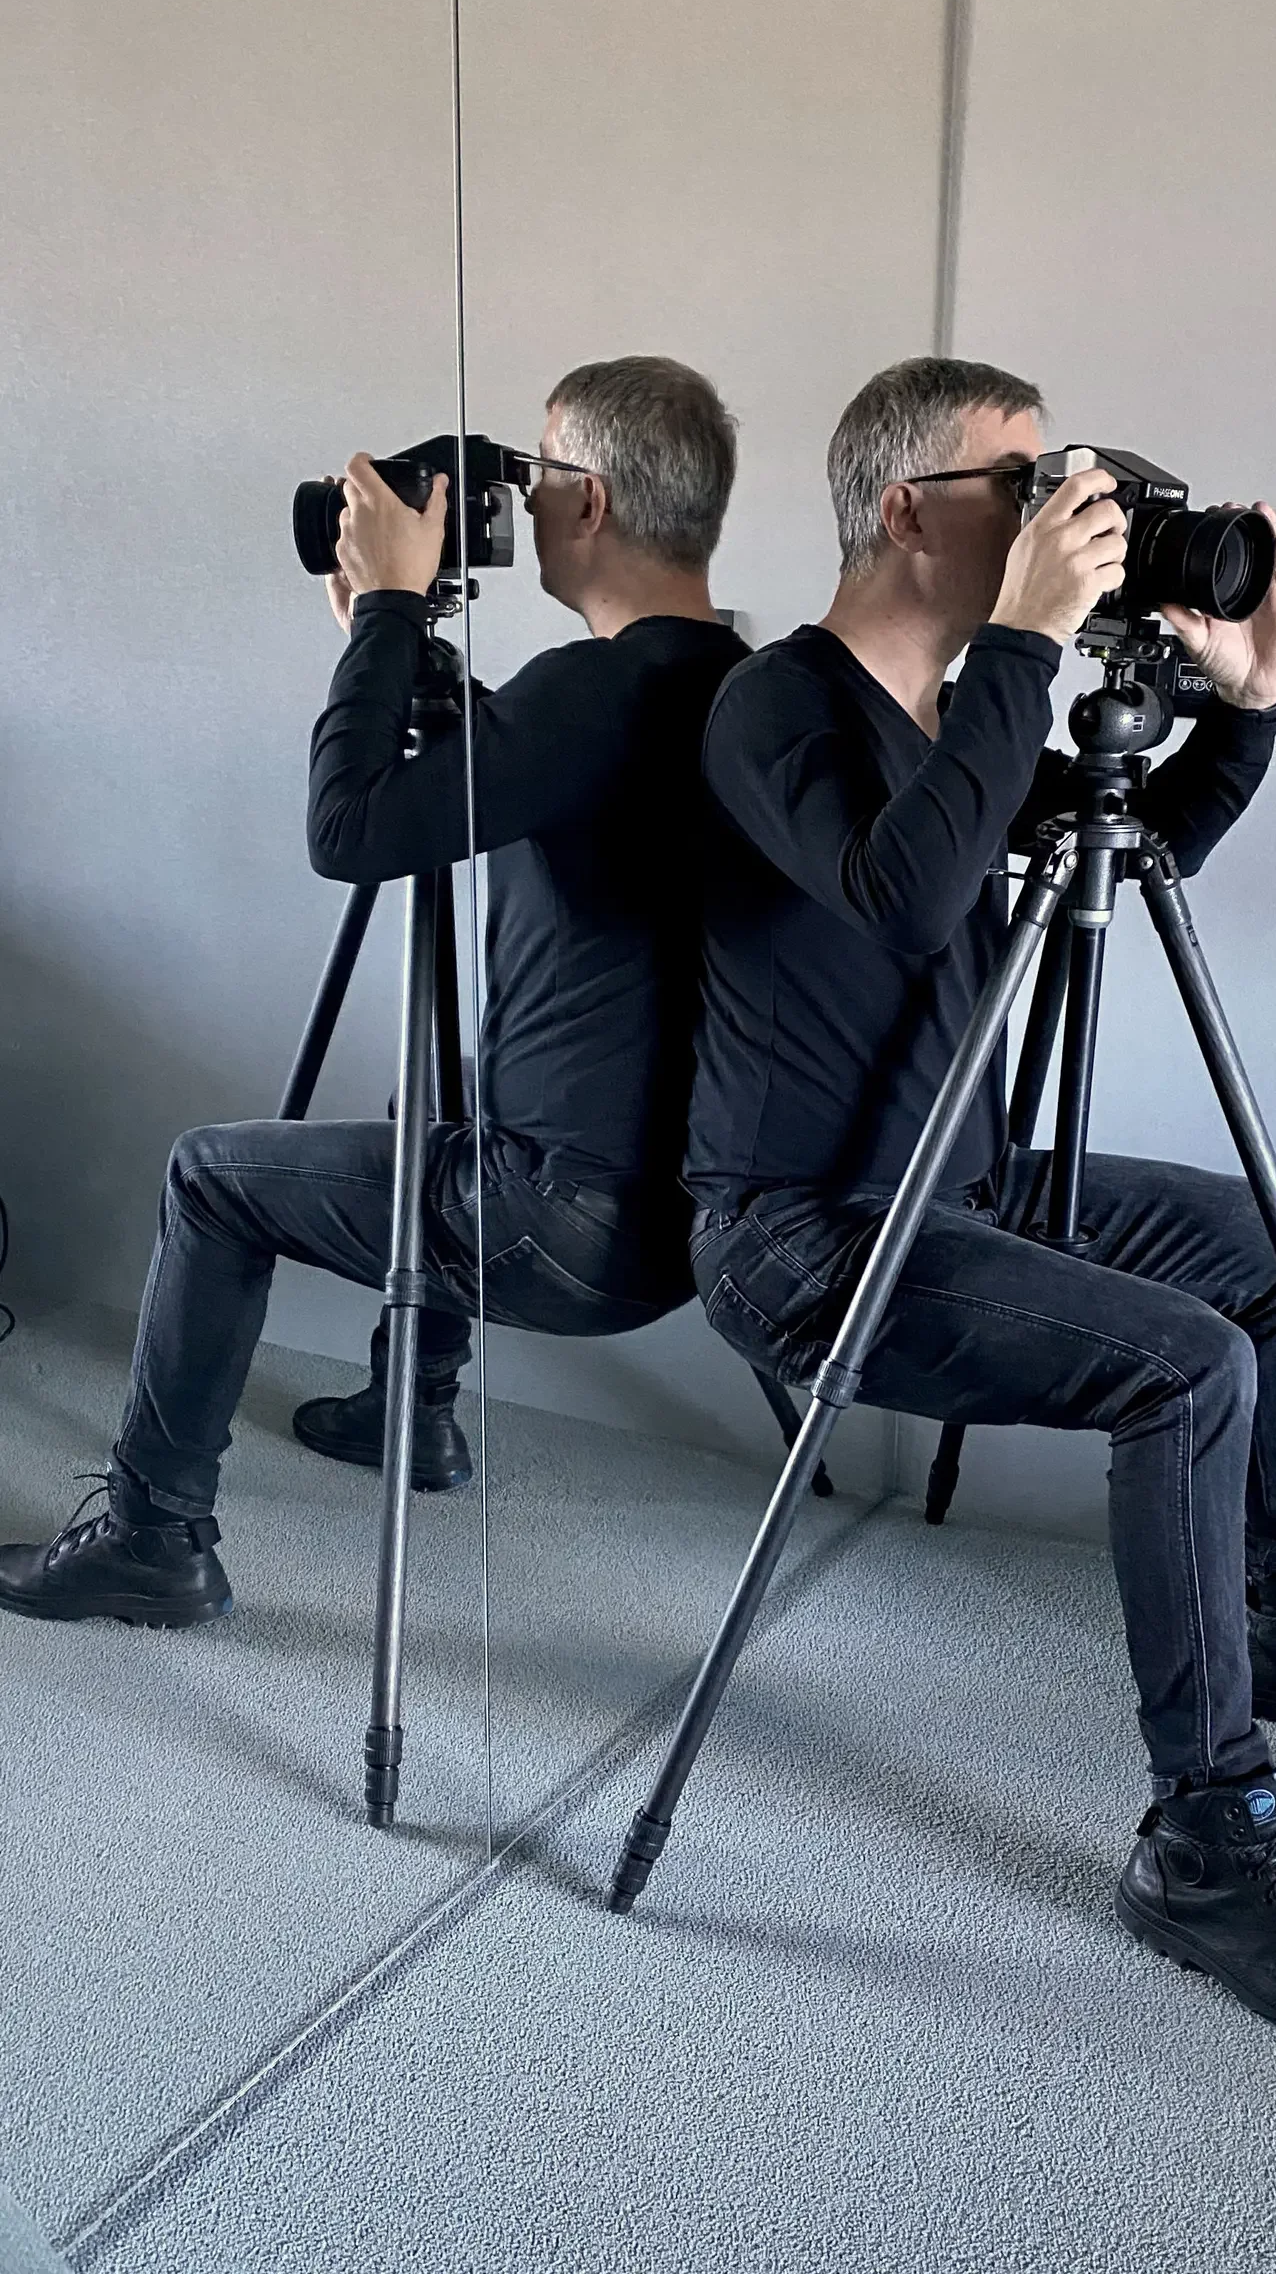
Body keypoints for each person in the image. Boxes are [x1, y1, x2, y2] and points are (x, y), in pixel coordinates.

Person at [683, 355, 1276, 2060]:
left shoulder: (959, 719)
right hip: (807, 1239)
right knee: (1182, 1363)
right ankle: (1206, 1845)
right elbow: (909, 898)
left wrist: (1250, 701)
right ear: (908, 509)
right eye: (1025, 486)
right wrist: (1017, 647)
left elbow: (1143, 843)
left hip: (965, 1198)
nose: (1068, 512)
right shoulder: (770, 707)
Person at [0, 355, 746, 1626]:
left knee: (212, 1175)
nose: (517, 495)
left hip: (556, 1231)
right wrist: (394, 646)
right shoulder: (737, 680)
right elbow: (541, 769)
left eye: (539, 469)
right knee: (435, 1091)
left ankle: (151, 1536)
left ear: (594, 502)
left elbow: (348, 831)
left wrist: (392, 619)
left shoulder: (591, 690)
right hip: (703, 1225)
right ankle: (415, 1409)